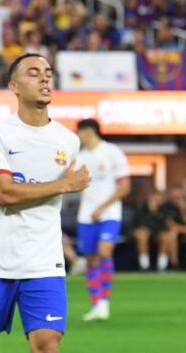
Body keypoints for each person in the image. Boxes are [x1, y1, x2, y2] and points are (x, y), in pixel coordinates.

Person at [0, 53, 90, 353]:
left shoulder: (67, 141)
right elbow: (4, 193)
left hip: (45, 262)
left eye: (48, 72)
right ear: (14, 86)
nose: (45, 78)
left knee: (47, 345)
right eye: (33, 72)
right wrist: (63, 185)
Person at [75, 118, 131, 322]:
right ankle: (96, 304)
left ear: (88, 132)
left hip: (109, 213)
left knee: (105, 251)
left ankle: (104, 302)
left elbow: (125, 186)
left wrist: (102, 207)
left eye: (79, 132)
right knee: (90, 258)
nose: (78, 136)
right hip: (86, 215)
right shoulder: (80, 157)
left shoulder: (112, 152)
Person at [160, 186, 186, 272]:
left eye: (179, 197)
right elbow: (170, 225)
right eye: (175, 197)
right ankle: (174, 264)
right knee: (172, 234)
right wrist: (181, 229)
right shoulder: (166, 207)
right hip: (172, 234)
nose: (177, 199)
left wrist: (183, 210)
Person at [133, 189, 169, 271]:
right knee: (142, 236)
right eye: (154, 196)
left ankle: (162, 266)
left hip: (158, 233)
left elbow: (164, 226)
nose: (156, 199)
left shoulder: (165, 209)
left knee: (165, 237)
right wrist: (150, 211)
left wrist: (155, 212)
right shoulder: (142, 208)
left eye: (158, 197)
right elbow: (142, 225)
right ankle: (145, 266)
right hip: (145, 233)